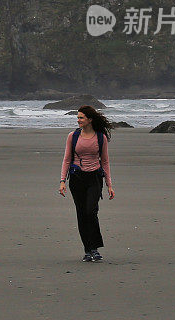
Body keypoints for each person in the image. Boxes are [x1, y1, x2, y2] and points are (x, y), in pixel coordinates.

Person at [58, 105, 115, 262]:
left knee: (91, 211)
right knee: (82, 214)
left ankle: (94, 247)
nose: (78, 120)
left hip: (95, 179)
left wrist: (109, 185)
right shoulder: (73, 136)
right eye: (77, 117)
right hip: (77, 179)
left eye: (81, 117)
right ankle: (88, 250)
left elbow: (105, 162)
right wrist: (62, 181)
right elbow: (66, 159)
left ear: (90, 119)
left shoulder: (100, 137)